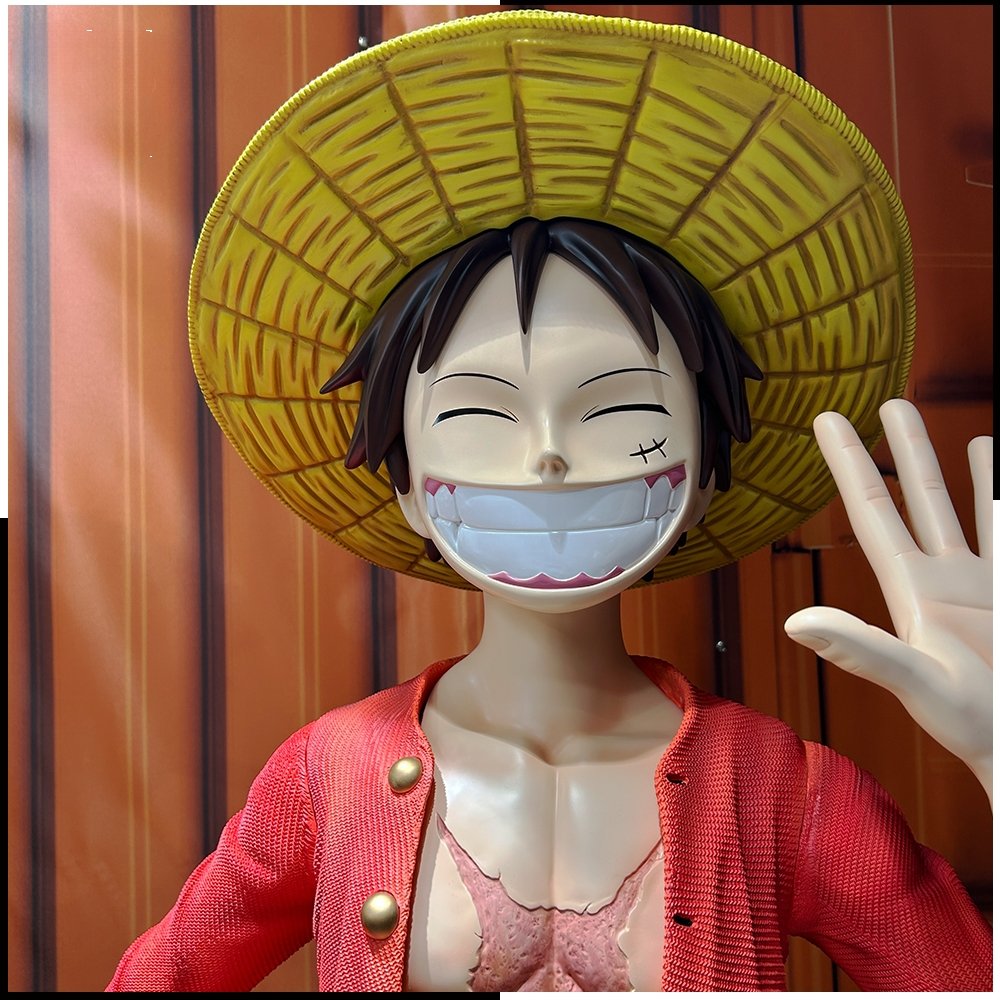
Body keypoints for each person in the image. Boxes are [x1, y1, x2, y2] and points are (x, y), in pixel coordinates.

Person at [108, 10, 992, 992]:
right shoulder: (330, 772)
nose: (548, 456)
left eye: (621, 409)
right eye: (477, 413)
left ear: (705, 476)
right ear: (404, 484)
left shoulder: (787, 788)